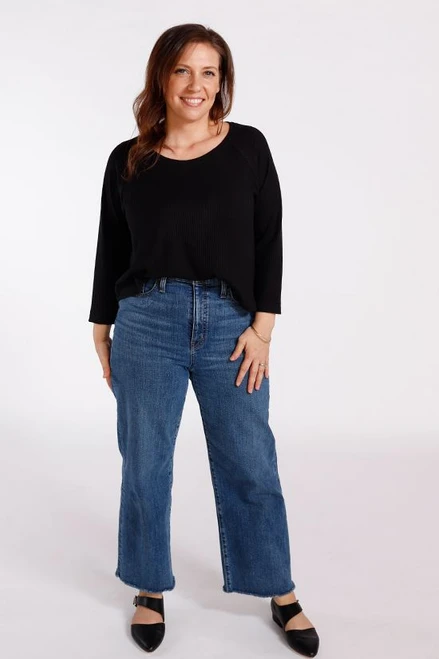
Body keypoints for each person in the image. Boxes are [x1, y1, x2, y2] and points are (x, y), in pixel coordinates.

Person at [88, 22, 320, 656]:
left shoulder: (247, 147)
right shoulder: (128, 158)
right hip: (146, 323)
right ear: (161, 77)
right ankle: (148, 586)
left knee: (250, 460)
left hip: (230, 326)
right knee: (145, 464)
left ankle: (279, 589)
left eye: (209, 72)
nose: (196, 84)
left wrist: (263, 329)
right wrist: (101, 325)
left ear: (223, 82)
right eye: (183, 70)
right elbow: (111, 246)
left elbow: (270, 239)